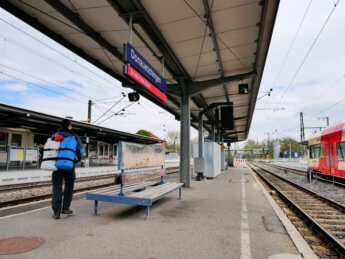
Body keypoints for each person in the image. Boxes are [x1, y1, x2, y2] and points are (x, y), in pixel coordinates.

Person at [51, 119, 84, 219]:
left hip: (57, 165)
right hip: (70, 165)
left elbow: (49, 149)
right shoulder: (75, 136)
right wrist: (75, 161)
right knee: (69, 187)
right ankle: (65, 208)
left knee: (57, 188)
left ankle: (56, 213)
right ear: (69, 126)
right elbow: (81, 151)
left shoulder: (55, 135)